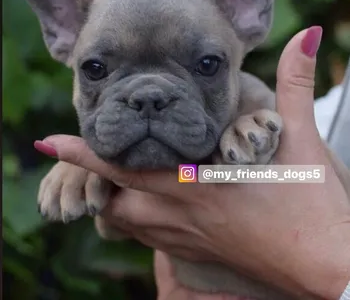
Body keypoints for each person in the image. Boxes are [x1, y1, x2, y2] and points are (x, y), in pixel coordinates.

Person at [34, 27, 350, 300]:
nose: (149, 99)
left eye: (205, 64)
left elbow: (312, 175)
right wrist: (101, 169)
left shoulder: (249, 102)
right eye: (98, 69)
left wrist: (328, 270)